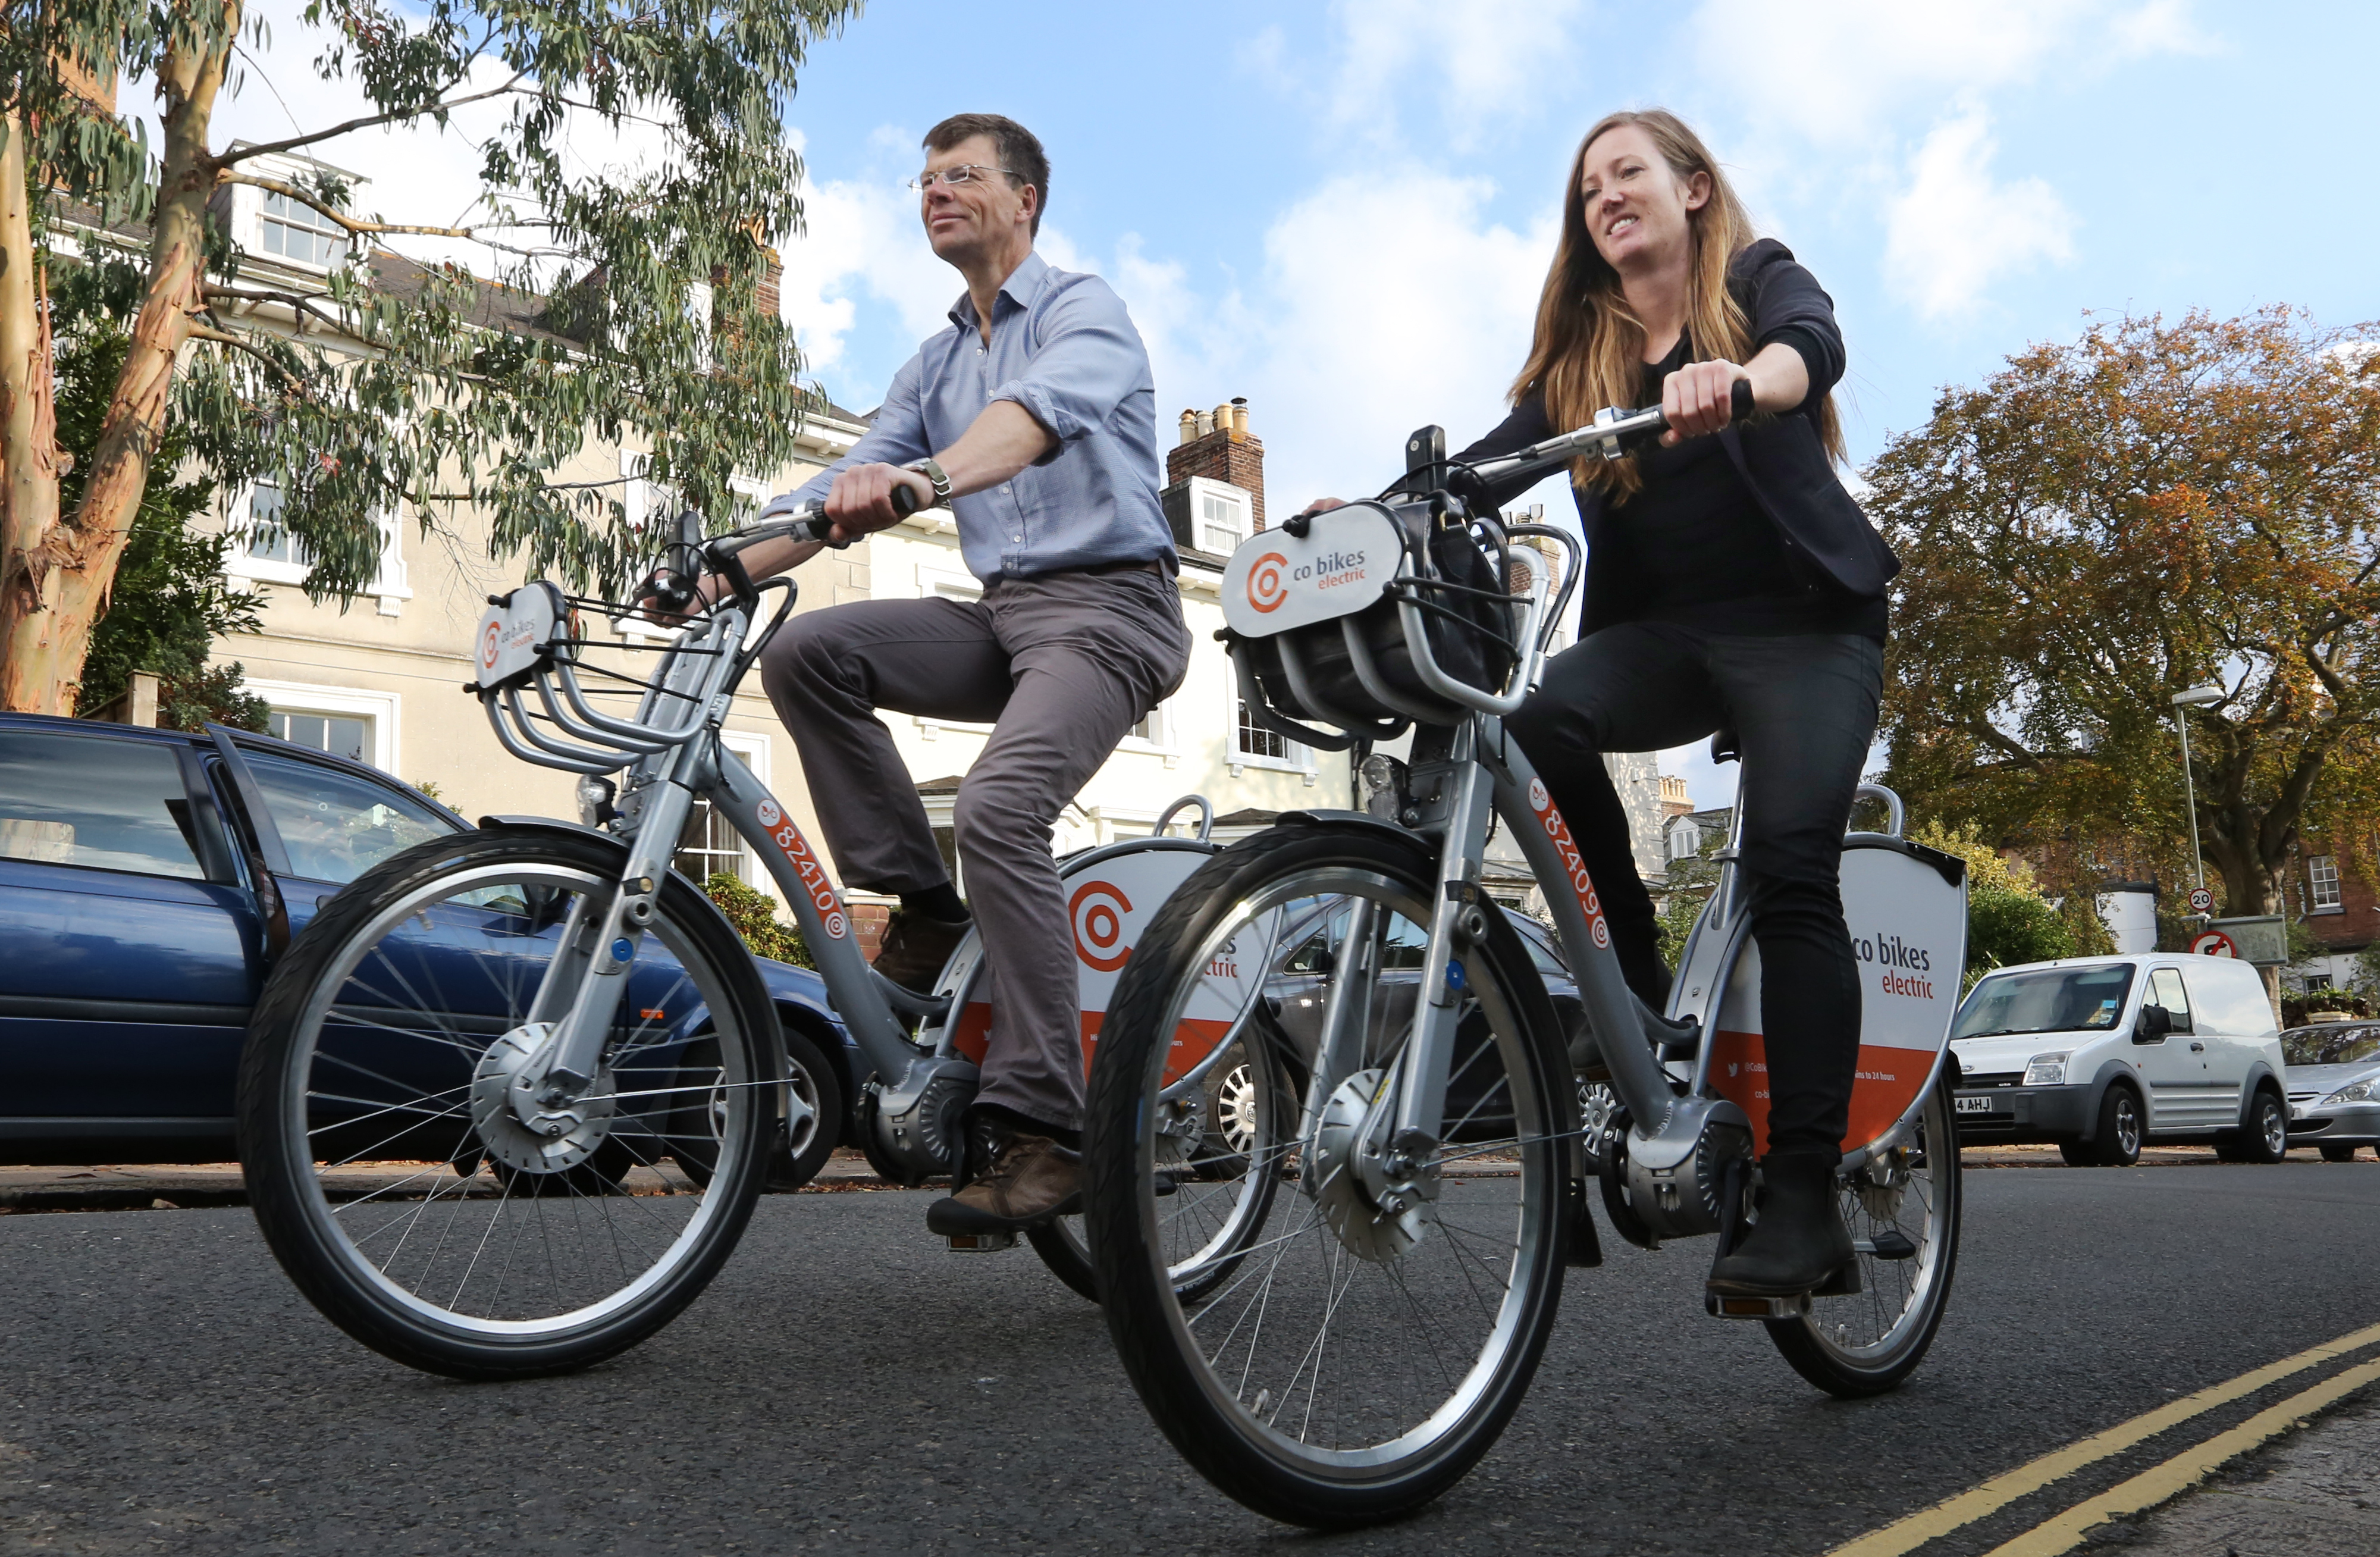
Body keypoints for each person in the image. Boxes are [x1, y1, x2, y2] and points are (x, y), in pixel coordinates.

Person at [1302, 109, 1896, 1298]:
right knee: (1533, 725)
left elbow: (1811, 347)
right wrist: (1364, 509)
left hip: (1803, 627)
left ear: (1690, 187)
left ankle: (1802, 1198)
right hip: (1667, 642)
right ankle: (1630, 975)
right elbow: (1483, 466)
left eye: (1628, 173)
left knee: (1789, 870)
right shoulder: (1582, 359)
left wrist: (1743, 381)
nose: (1605, 196)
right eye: (1587, 190)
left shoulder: (1752, 279)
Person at [664, 114, 1189, 1238]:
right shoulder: (934, 360)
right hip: (1006, 617)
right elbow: (836, 488)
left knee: (1001, 805)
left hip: (1113, 613)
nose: (934, 193)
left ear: (1024, 200)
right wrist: (715, 573)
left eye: (962, 176)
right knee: (810, 647)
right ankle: (925, 904)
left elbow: (1029, 425)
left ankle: (1050, 1127)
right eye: (924, 179)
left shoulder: (1083, 312)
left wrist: (922, 482)